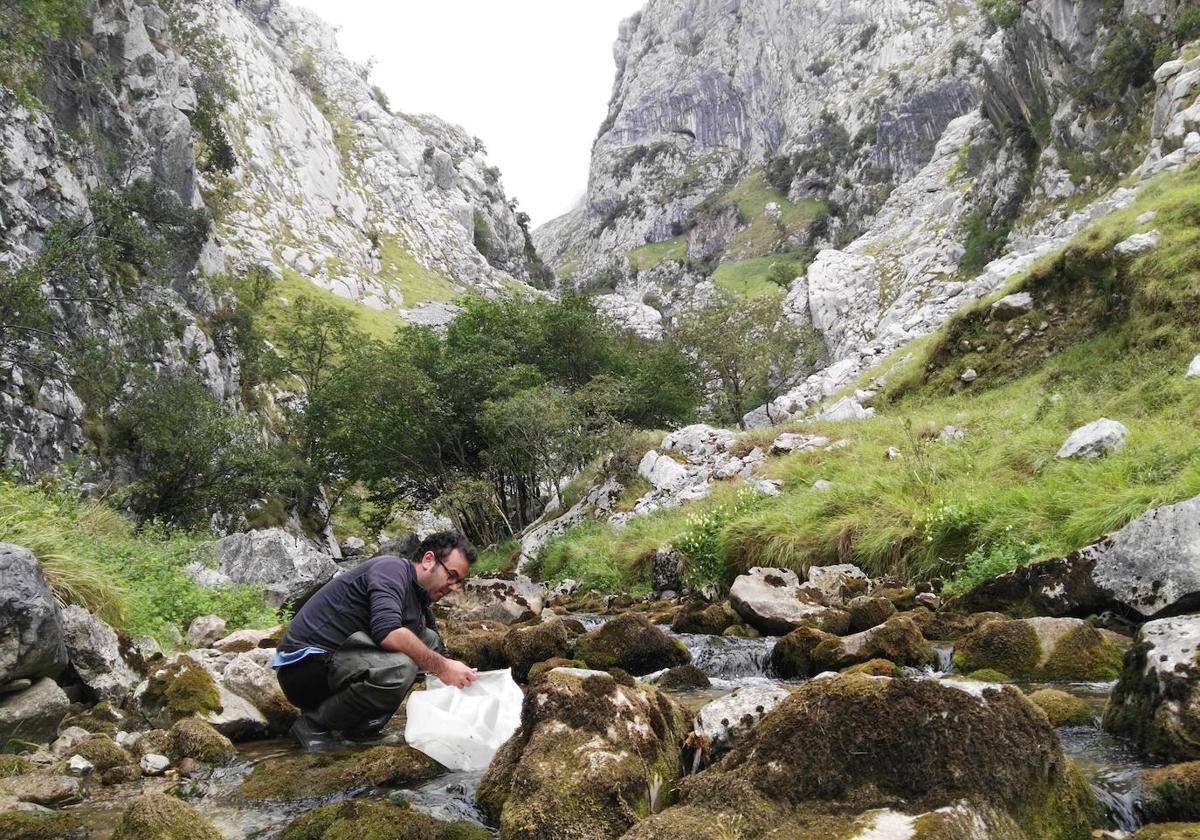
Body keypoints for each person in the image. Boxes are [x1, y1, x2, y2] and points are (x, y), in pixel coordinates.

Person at [269, 530, 479, 749]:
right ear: (428, 560)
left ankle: (361, 729)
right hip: (303, 669)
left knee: (428, 640)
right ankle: (313, 725)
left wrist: (463, 677)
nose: (454, 587)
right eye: (451, 575)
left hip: (335, 665)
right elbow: (387, 632)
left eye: (459, 582)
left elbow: (438, 650)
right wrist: (443, 666)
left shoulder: (419, 600)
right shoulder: (390, 569)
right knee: (400, 668)